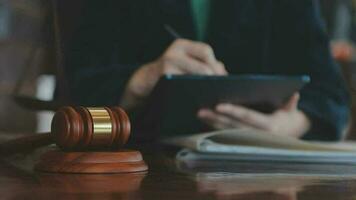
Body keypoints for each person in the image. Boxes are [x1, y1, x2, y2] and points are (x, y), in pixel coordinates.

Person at [64, 0, 350, 141]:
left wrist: (291, 125)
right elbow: (70, 95)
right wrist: (141, 80)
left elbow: (332, 97)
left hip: (255, 177)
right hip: (136, 169)